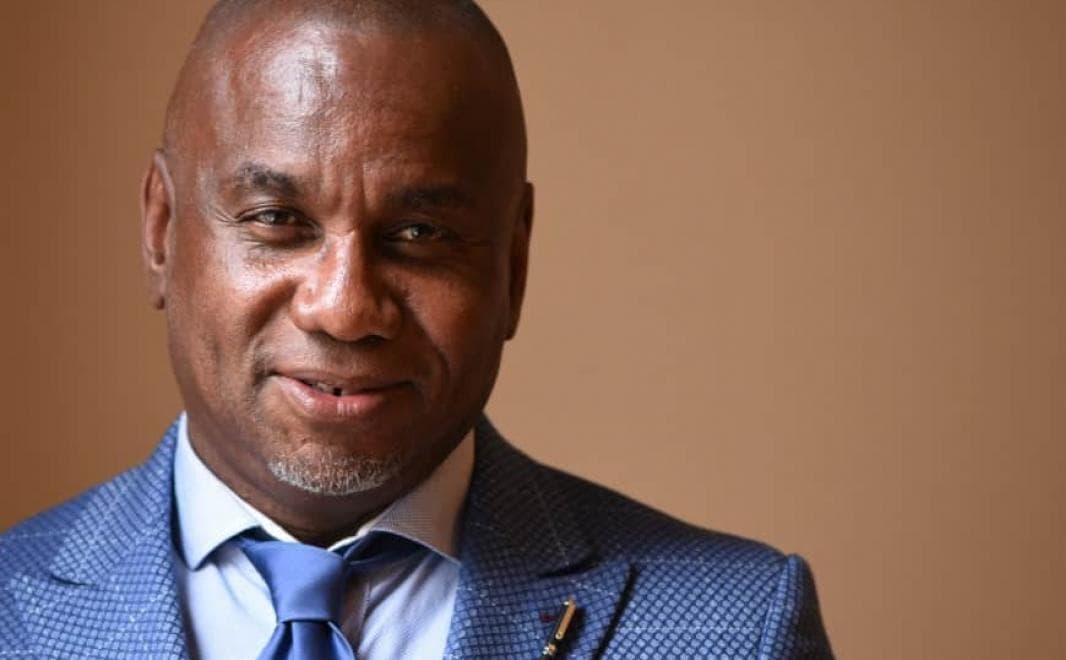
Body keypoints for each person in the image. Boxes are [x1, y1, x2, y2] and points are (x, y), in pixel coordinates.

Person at [0, 1, 832, 658]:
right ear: (161, 229)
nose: (345, 308)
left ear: (513, 264)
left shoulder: (739, 629)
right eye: (278, 219)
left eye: (420, 234)